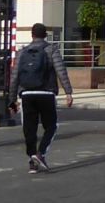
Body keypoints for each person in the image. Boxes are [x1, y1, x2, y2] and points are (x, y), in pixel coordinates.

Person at [7, 23, 74, 173]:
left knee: (29, 129)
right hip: (46, 93)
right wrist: (68, 92)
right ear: (45, 35)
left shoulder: (22, 52)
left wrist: (12, 100)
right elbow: (61, 71)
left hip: (26, 95)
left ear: (32, 35)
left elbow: (14, 77)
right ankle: (41, 153)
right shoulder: (51, 50)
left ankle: (32, 161)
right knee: (51, 126)